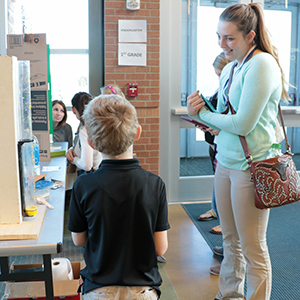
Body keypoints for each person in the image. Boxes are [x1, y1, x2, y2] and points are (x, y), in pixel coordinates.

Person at [187, 3, 290, 300]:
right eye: (219, 36)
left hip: (252, 165)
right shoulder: (231, 67)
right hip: (226, 162)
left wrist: (204, 115)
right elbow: (225, 118)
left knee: (253, 246)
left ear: (251, 36)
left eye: (229, 38)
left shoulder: (262, 64)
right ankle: (230, 295)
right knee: (230, 240)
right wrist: (206, 114)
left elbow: (243, 124)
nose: (222, 45)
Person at [68, 94, 170, 300]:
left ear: (91, 143)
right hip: (143, 290)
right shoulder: (155, 184)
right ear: (138, 133)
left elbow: (79, 239)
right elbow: (160, 248)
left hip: (98, 289)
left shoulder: (83, 185)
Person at [66, 92, 102, 175]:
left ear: (73, 110)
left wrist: (73, 159)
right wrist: (72, 149)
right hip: (98, 173)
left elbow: (87, 166)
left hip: (88, 176)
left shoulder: (84, 129)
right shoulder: (96, 124)